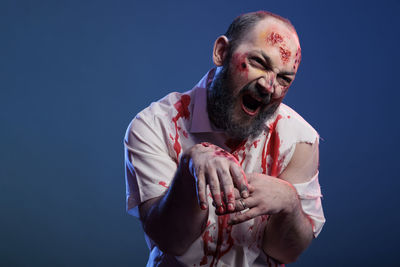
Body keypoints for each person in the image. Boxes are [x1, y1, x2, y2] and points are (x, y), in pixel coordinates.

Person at [124, 11, 325, 267]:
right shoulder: (154, 126)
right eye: (259, 62)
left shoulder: (299, 140)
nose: (269, 86)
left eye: (284, 78)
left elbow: (286, 252)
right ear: (221, 52)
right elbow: (171, 240)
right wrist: (188, 172)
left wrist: (289, 202)